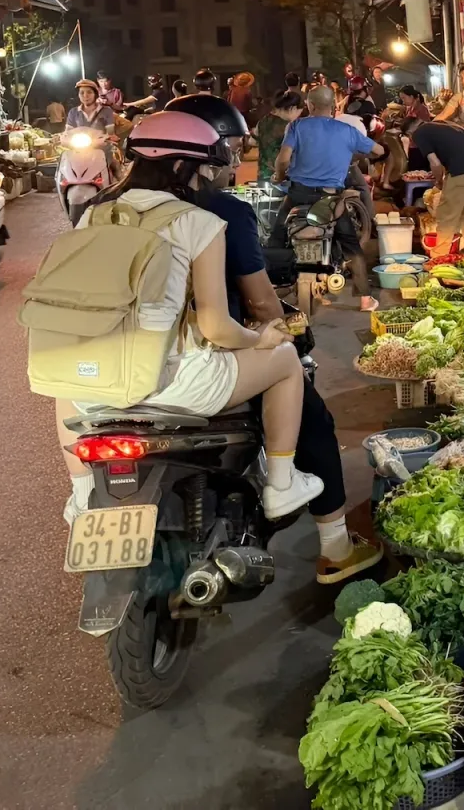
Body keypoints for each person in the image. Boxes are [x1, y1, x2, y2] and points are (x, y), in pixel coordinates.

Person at [53, 111, 322, 522]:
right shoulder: (200, 222)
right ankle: (282, 485)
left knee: (63, 382)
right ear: (183, 166)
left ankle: (82, 495)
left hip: (96, 385)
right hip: (176, 388)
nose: (208, 178)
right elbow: (216, 326)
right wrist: (261, 340)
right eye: (205, 168)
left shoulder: (93, 214)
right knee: (285, 360)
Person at [167, 93, 381, 581]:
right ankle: (333, 543)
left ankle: (79, 499)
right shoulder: (217, 212)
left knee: (286, 238)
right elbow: (257, 307)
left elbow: (283, 165)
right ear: (212, 151)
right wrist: (273, 331)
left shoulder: (103, 208)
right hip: (200, 362)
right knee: (309, 411)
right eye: (232, 151)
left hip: (97, 379)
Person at [268, 84, 383, 250]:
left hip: (299, 194)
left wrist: (279, 176)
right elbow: (378, 151)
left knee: (277, 238)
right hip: (331, 197)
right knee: (352, 248)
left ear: (311, 105)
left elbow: (283, 160)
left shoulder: (297, 126)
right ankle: (359, 273)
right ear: (333, 106)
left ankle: (276, 266)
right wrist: (355, 156)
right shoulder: (347, 130)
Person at [405, 118, 464, 255]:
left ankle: (441, 253)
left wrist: (439, 181)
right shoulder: (443, 124)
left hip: (460, 168)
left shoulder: (419, 133)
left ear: (409, 133)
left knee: (447, 213)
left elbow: (435, 163)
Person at [256, 89, 304, 185]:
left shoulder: (263, 121)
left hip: (263, 174)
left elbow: (254, 141)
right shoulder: (290, 127)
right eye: (299, 112)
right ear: (292, 108)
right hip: (281, 177)